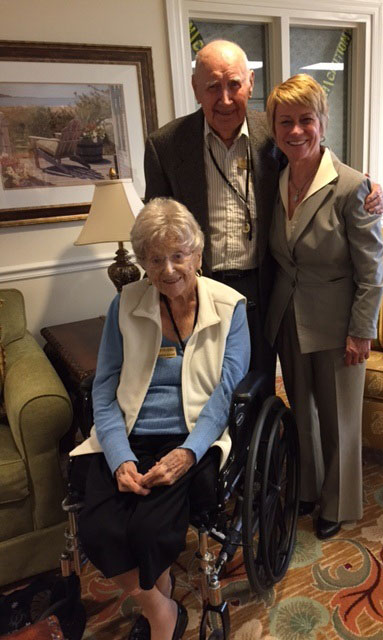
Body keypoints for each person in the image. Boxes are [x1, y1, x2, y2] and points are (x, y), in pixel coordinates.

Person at [143, 40, 383, 391]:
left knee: (258, 387)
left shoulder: (274, 132)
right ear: (196, 88)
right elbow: (157, 225)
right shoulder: (165, 145)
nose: (224, 99)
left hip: (264, 290)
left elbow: (316, 157)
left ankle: (262, 447)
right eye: (212, 86)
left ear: (250, 84)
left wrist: (366, 183)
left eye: (234, 84)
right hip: (198, 289)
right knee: (203, 387)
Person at [70, 198, 250, 640]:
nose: (168, 269)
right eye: (155, 259)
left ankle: (160, 610)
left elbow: (226, 393)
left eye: (178, 255)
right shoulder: (125, 305)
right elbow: (104, 388)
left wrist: (188, 452)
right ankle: (162, 608)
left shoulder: (230, 307)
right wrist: (118, 456)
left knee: (150, 530)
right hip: (129, 434)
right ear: (143, 264)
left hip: (191, 435)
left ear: (198, 255)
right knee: (100, 528)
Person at [264, 74, 383, 539]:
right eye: (285, 122)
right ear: (274, 128)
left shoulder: (353, 187)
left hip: (338, 325)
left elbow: (373, 269)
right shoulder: (275, 180)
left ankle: (337, 503)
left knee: (339, 418)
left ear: (322, 122)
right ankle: (309, 490)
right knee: (302, 411)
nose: (296, 131)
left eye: (305, 120)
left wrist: (362, 330)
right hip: (288, 317)